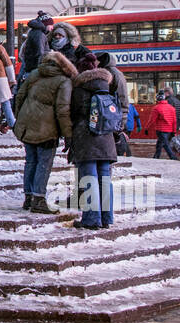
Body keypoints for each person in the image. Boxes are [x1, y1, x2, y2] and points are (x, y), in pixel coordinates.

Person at [12, 50, 77, 212]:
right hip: (47, 129)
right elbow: (63, 110)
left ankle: (28, 198)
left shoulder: (34, 74)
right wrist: (68, 134)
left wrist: (19, 118)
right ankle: (39, 198)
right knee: (44, 163)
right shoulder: (64, 81)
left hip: (27, 125)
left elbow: (19, 96)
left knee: (31, 161)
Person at [68, 53, 118, 229]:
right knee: (105, 179)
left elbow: (73, 114)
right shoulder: (107, 88)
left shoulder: (80, 90)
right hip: (107, 139)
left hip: (87, 138)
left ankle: (91, 219)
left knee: (89, 178)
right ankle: (107, 218)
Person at [145, 91, 178, 160]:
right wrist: (174, 131)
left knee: (165, 144)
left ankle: (173, 157)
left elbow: (152, 120)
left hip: (161, 129)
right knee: (160, 143)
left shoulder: (156, 108)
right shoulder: (171, 108)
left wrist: (147, 128)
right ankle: (156, 156)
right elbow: (174, 121)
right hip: (169, 130)